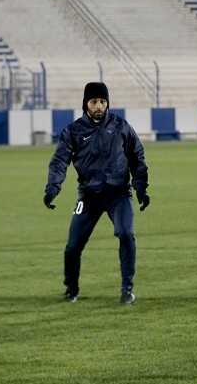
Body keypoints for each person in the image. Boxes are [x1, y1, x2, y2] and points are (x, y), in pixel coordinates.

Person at [44, 82, 149, 304]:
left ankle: (127, 289)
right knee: (73, 246)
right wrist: (53, 187)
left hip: (118, 195)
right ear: (85, 104)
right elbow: (59, 161)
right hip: (88, 197)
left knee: (126, 234)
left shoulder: (121, 126)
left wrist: (140, 187)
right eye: (94, 102)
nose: (99, 106)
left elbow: (137, 157)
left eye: (102, 101)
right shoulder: (73, 131)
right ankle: (71, 289)